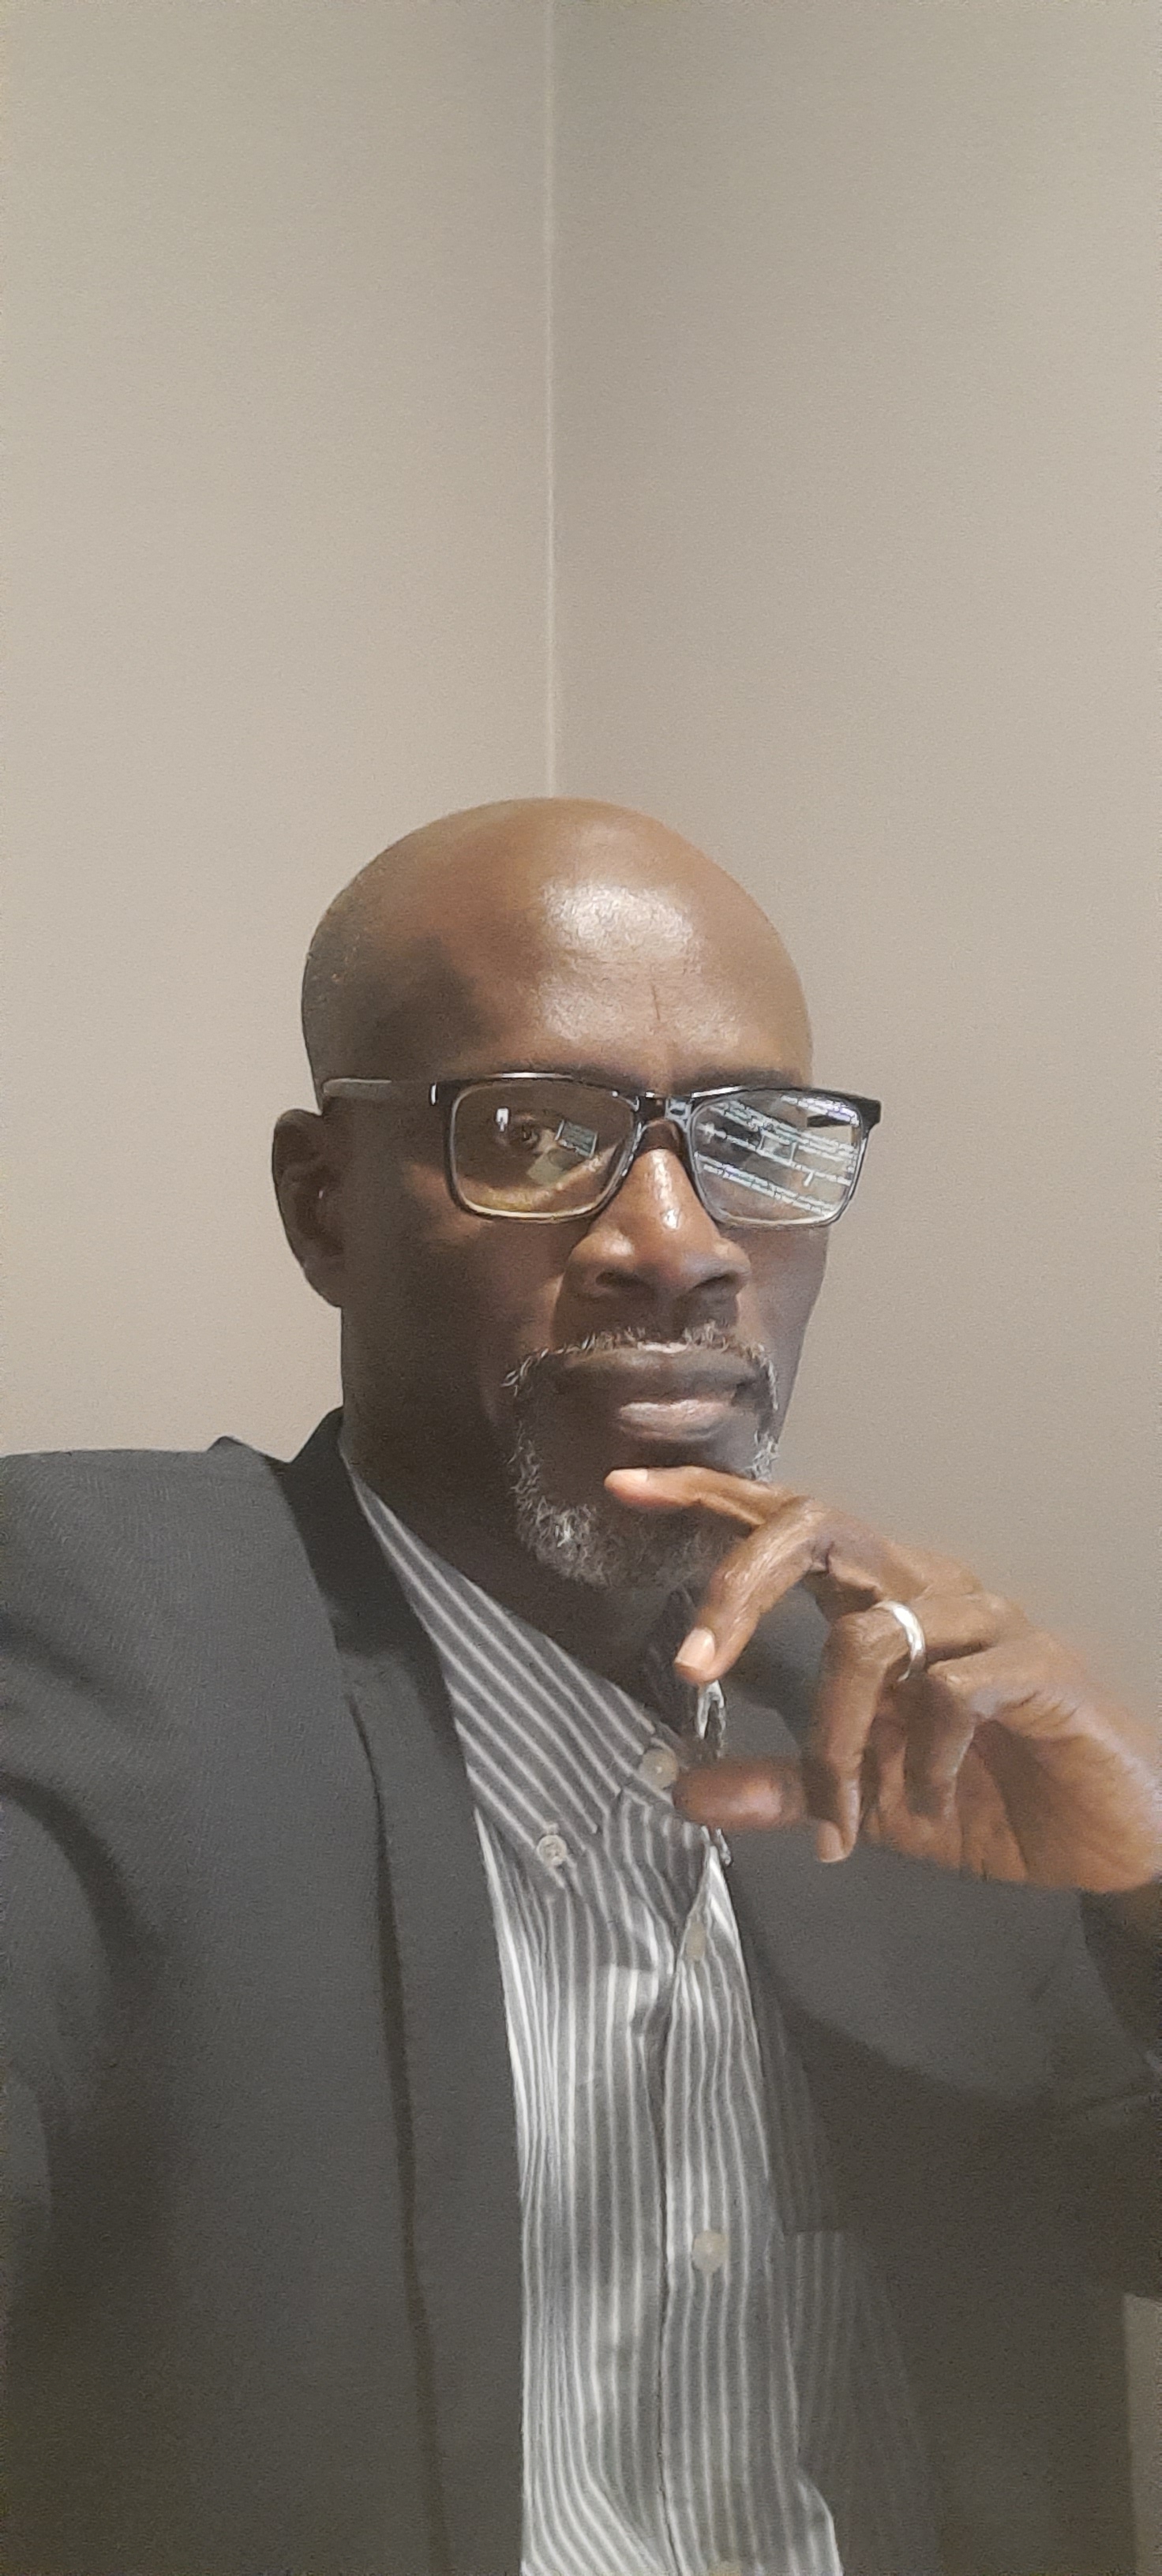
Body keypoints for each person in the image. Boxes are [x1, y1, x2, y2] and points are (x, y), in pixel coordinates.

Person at [5, 797, 1159, 2576]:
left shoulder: (912, 1735)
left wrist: (1149, 1879)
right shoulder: (110, 1646)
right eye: (538, 1133)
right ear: (324, 1205)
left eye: (755, 1140)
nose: (678, 1242)